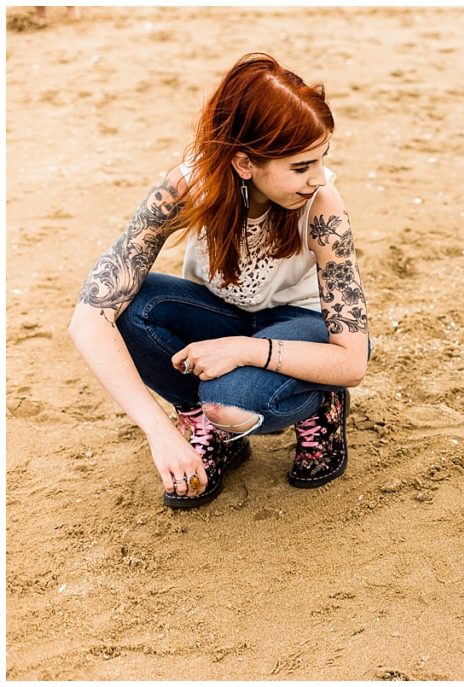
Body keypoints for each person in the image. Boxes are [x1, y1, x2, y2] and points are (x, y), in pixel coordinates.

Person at [69, 53, 369, 509]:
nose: (318, 178)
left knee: (232, 401)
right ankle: (202, 423)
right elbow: (88, 319)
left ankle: (321, 406)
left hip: (300, 325)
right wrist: (160, 431)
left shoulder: (323, 204)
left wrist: (246, 350)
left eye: (321, 159)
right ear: (244, 163)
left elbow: (352, 361)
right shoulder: (189, 187)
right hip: (220, 315)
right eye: (301, 166)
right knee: (130, 305)